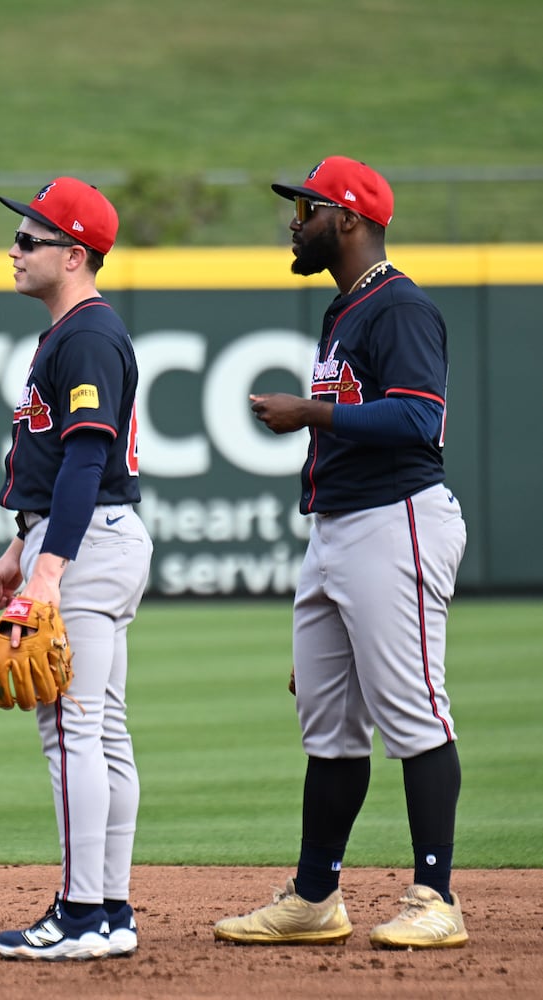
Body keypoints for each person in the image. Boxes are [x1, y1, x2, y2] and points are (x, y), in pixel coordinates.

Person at [213, 156, 469, 949]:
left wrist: (312, 414)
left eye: (307, 208)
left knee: (416, 715)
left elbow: (417, 419)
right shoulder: (345, 310)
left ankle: (435, 898)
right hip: (334, 530)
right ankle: (315, 899)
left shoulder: (399, 308)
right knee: (328, 727)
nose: (294, 221)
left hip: (396, 520)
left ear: (347, 220)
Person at [0, 178, 152, 961]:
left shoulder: (83, 336)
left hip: (88, 543)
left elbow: (88, 459)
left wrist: (48, 569)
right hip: (91, 537)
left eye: (29, 239)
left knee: (71, 731)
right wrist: (20, 553)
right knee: (102, 731)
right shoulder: (73, 333)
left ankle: (81, 914)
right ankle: (109, 909)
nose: (13, 249)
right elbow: (65, 470)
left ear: (73, 255)